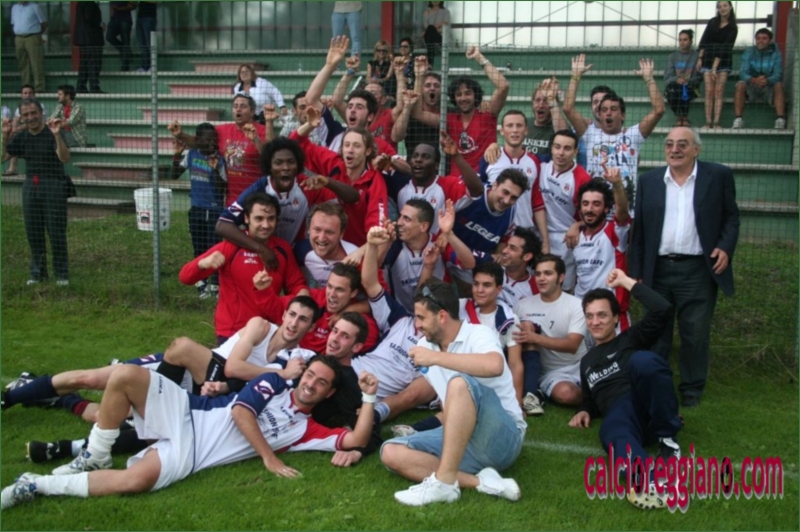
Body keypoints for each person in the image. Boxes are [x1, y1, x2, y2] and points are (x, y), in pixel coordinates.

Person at [0, 357, 379, 509]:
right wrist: (269, 458)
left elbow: (358, 440)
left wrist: (368, 397)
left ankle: (35, 484)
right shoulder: (275, 383)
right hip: (185, 413)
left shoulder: (307, 430)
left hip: (194, 455)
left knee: (134, 482)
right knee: (126, 375)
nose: (311, 383)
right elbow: (242, 413)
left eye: (321, 382)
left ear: (329, 392)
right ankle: (95, 454)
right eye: (310, 375)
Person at [380, 278, 525, 506]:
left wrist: (436, 358)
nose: (416, 325)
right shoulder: (425, 345)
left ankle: (444, 484)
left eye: (421, 318)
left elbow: (495, 365)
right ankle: (481, 482)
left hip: (503, 438)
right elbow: (443, 400)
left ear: (442, 316)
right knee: (390, 451)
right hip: (464, 439)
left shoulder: (478, 333)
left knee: (459, 382)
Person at [629, 126, 739, 407]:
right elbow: (639, 230)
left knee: (695, 333)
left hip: (698, 269)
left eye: (682, 144)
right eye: (669, 144)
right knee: (658, 331)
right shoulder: (649, 181)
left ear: (696, 150)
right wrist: (637, 271)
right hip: (658, 269)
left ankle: (691, 390)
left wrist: (725, 247)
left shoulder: (718, 176)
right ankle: (655, 384)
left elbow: (731, 217)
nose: (674, 149)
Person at [570, 268, 682, 510]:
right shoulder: (586, 362)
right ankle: (650, 481)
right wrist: (584, 410)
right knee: (611, 431)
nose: (595, 322)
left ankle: (668, 439)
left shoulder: (630, 339)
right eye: (590, 316)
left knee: (643, 360)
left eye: (602, 315)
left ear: (616, 318)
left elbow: (663, 309)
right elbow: (590, 399)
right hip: (620, 416)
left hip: (644, 401)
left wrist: (625, 282)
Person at [179, 192, 308, 344]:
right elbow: (185, 278)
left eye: (271, 218)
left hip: (269, 331)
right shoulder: (229, 247)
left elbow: (296, 284)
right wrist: (202, 264)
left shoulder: (283, 249)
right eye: (259, 219)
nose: (266, 225)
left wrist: (302, 294)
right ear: (246, 218)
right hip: (233, 332)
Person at [562, 54, 664, 213]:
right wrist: (575, 76)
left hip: (625, 212)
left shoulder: (633, 135)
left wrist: (649, 79)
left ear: (622, 115)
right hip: (595, 212)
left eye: (613, 109)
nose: (608, 113)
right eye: (604, 110)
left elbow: (659, 110)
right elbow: (567, 108)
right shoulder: (590, 134)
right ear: (600, 114)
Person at [217, 137, 358, 245]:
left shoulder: (306, 185)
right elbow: (222, 224)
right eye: (278, 163)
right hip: (261, 249)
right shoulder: (259, 188)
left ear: (298, 165)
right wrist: (260, 249)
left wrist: (328, 182)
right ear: (269, 167)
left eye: (291, 162)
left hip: (293, 251)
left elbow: (353, 197)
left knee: (305, 249)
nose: (285, 167)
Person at [291, 106, 388, 246]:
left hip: (357, 250)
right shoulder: (333, 163)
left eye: (356, 146)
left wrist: (361, 254)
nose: (350, 150)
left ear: (367, 151)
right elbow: (294, 146)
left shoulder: (374, 180)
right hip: (326, 246)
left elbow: (376, 228)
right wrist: (309, 125)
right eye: (346, 145)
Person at [1, 99, 70, 286]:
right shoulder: (22, 136)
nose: (30, 117)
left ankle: (62, 274)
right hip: (31, 184)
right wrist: (5, 135)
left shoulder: (53, 131)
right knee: (33, 231)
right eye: (25, 115)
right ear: (22, 117)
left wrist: (57, 136)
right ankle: (38, 273)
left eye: (33, 113)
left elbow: (64, 158)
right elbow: (2, 157)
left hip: (54, 184)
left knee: (56, 231)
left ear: (41, 113)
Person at [513, 254, 588, 416]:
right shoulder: (522, 306)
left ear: (561, 277)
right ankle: (535, 391)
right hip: (551, 372)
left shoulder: (576, 305)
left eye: (548, 273)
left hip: (581, 365)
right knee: (566, 394)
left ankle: (599, 395)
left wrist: (535, 338)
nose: (541, 278)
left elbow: (572, 345)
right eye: (538, 274)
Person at [413, 48, 509, 170]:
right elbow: (417, 113)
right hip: (456, 178)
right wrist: (419, 76)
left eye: (468, 93)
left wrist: (479, 57)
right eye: (458, 94)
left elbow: (503, 86)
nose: (463, 98)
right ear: (453, 98)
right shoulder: (449, 119)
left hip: (484, 176)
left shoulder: (487, 114)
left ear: (476, 95)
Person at [255, 262, 381, 354]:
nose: (331, 294)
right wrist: (263, 291)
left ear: (353, 293)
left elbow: (368, 339)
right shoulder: (314, 297)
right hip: (289, 357)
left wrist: (345, 320)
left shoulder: (361, 322)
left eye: (339, 290)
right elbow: (278, 310)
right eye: (329, 286)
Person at [168, 94, 270, 206]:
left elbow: (269, 156)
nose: (238, 109)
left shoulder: (263, 131)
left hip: (256, 197)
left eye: (243, 106)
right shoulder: (222, 130)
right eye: (235, 106)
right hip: (232, 200)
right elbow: (199, 142)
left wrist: (256, 139)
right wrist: (180, 135)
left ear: (252, 111)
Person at [171, 124, 227, 298]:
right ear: (198, 140)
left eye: (214, 140)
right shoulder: (191, 155)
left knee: (214, 246)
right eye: (207, 139)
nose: (211, 143)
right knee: (199, 245)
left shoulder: (219, 159)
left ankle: (216, 283)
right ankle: (201, 281)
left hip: (214, 209)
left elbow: (222, 188)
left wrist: (214, 169)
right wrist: (176, 155)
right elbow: (174, 175)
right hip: (197, 208)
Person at [572, 170, 631, 331]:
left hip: (611, 315)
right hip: (582, 314)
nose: (589, 209)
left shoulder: (614, 232)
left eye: (596, 204)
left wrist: (617, 184)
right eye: (585, 204)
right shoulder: (574, 237)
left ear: (606, 208)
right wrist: (576, 226)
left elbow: (622, 211)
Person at [535, 129, 591, 290]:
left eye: (567, 148)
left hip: (566, 238)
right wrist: (494, 146)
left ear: (575, 152)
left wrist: (578, 225)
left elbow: (596, 214)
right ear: (551, 148)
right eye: (557, 147)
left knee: (562, 289)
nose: (561, 153)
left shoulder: (583, 179)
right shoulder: (540, 166)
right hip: (537, 234)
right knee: (536, 285)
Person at [396, 136, 484, 235]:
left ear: (436, 165)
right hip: (403, 243)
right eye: (415, 156)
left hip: (436, 244)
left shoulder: (447, 185)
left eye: (426, 157)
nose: (418, 160)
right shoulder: (399, 183)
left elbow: (478, 190)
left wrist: (456, 156)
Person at [478, 110, 543, 236]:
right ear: (502, 131)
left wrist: (545, 240)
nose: (515, 130)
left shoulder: (534, 161)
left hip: (523, 231)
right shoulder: (490, 157)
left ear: (526, 130)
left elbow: (537, 200)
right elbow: (480, 194)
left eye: (519, 126)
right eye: (510, 125)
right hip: (494, 228)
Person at [293, 203, 358, 288]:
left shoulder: (356, 258)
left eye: (329, 232)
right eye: (317, 229)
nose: (321, 238)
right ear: (308, 229)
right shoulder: (300, 250)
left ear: (341, 234)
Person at [733, 28, 786, 130]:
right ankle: (738, 119)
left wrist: (767, 80)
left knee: (779, 85)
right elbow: (743, 72)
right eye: (758, 38)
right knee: (740, 84)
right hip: (751, 85)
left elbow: (778, 74)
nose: (760, 41)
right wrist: (754, 80)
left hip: (769, 86)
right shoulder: (749, 52)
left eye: (764, 38)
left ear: (770, 40)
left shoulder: (776, 53)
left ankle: (780, 120)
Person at [696, 1, 738, 129]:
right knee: (709, 91)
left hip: (723, 61)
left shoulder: (733, 28)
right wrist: (700, 58)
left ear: (730, 7)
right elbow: (704, 41)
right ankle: (708, 122)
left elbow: (726, 47)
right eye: (719, 7)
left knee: (719, 91)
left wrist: (715, 67)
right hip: (707, 60)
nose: (722, 9)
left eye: (725, 6)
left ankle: (716, 122)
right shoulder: (712, 22)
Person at [395, 60, 440, 155]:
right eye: (427, 85)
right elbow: (396, 137)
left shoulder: (447, 112)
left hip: (440, 163)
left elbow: (418, 114)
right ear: (421, 90)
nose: (432, 88)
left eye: (436, 86)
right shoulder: (409, 113)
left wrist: (419, 76)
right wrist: (407, 108)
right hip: (413, 163)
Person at [664, 29, 702, 127]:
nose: (682, 42)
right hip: (675, 86)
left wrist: (687, 81)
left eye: (685, 40)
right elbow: (667, 77)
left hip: (691, 87)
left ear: (691, 41)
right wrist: (677, 79)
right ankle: (679, 117)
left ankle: (685, 118)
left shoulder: (697, 57)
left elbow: (698, 78)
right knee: (673, 90)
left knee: (683, 89)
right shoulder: (672, 57)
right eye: (680, 40)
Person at [11, 2, 47, 94]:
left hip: (32, 37)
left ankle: (39, 88)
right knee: (22, 63)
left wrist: (37, 34)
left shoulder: (35, 7)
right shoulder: (14, 8)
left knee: (36, 62)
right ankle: (25, 87)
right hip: (19, 38)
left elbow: (44, 23)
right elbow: (13, 23)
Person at [74, 1, 105, 94]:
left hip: (83, 39)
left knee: (84, 63)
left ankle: (81, 86)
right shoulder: (90, 4)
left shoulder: (81, 3)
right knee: (94, 63)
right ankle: (94, 86)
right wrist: (100, 24)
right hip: (92, 38)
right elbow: (90, 17)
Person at [106, 2, 135, 72]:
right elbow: (111, 6)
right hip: (114, 18)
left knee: (126, 42)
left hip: (125, 19)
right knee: (109, 37)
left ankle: (125, 68)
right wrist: (112, 15)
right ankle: (125, 52)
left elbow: (133, 6)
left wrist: (118, 9)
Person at [421, 1, 450, 67]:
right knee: (430, 31)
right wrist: (439, 24)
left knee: (430, 30)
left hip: (440, 37)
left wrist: (433, 29)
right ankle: (430, 64)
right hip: (429, 37)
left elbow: (445, 27)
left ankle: (430, 63)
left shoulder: (445, 12)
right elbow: (426, 27)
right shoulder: (426, 12)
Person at [135, 1, 157, 73]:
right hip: (140, 17)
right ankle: (144, 67)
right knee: (142, 44)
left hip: (149, 17)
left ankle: (152, 66)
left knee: (149, 43)